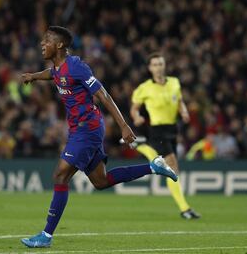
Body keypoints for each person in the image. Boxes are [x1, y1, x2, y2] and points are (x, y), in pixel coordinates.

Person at [19, 26, 178, 248]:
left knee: (60, 175)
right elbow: (52, 75)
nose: (41, 43)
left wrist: (124, 126)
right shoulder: (58, 68)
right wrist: (33, 77)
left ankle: (46, 235)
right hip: (80, 130)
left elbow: (103, 95)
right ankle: (153, 167)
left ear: (60, 45)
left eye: (47, 40)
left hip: (87, 129)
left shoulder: (76, 66)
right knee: (101, 181)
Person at [130, 52, 201, 220]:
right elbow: (134, 108)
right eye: (154, 64)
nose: (158, 67)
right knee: (173, 166)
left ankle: (142, 146)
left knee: (169, 168)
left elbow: (180, 101)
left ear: (164, 65)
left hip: (172, 129)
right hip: (157, 129)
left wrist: (183, 112)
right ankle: (185, 209)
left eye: (160, 64)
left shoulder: (174, 83)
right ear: (149, 68)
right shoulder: (144, 87)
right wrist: (137, 117)